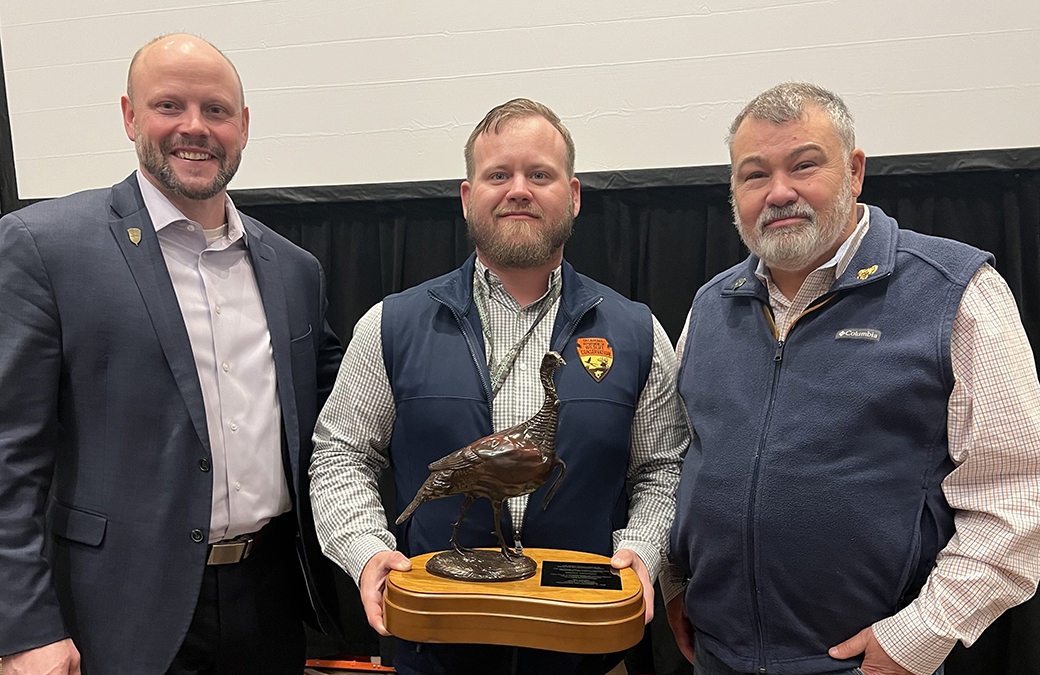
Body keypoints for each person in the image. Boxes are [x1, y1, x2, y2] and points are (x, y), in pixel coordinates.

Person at [666, 82, 1040, 675]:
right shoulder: (711, 307)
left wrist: (921, 634)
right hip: (718, 656)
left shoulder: (954, 292)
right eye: (754, 174)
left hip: (863, 664)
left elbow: (1017, 499)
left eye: (805, 165)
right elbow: (679, 463)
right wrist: (674, 579)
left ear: (856, 171)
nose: (779, 192)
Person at [0, 34, 343, 675]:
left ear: (243, 126)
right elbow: (7, 458)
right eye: (169, 106)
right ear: (130, 116)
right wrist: (22, 628)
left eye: (216, 110)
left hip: (270, 602)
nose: (195, 127)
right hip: (116, 610)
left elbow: (336, 421)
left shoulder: (296, 271)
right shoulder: (43, 249)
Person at [310, 98, 689, 675]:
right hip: (437, 643)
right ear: (468, 198)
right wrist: (365, 552)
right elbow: (340, 456)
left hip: (583, 647)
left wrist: (643, 548)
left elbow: (663, 468)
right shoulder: (389, 325)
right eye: (498, 175)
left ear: (575, 194)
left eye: (540, 174)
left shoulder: (637, 332)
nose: (519, 190)